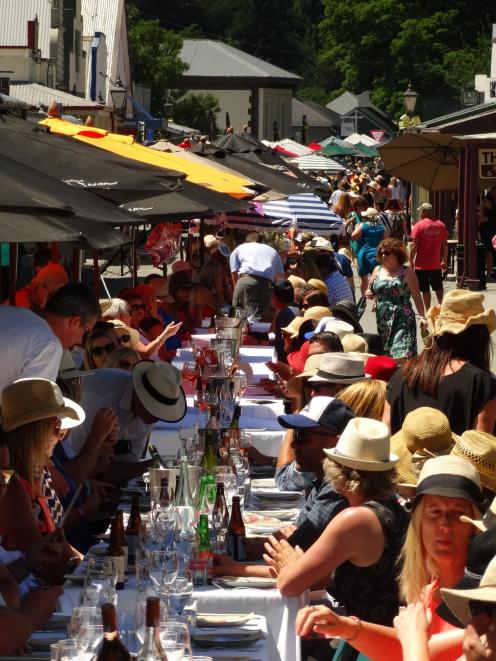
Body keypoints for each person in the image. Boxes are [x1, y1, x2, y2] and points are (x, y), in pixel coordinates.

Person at [295, 454, 482, 661]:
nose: (445, 525)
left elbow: (421, 649)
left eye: (457, 513)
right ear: (418, 523)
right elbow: (406, 647)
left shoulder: (483, 603)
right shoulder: (427, 590)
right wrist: (345, 626)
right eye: (434, 511)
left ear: (474, 525)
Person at [277, 417, 408, 661]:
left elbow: (289, 584)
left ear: (338, 472)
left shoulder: (356, 519)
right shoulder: (395, 508)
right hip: (384, 638)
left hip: (369, 646)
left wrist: (292, 562)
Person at [211, 398, 355, 580]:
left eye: (303, 436)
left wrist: (238, 567)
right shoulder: (322, 478)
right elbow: (294, 537)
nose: (294, 445)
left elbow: (296, 551)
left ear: (334, 441)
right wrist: (263, 544)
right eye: (295, 434)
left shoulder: (338, 489)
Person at [0, 379, 85, 577]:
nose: (61, 435)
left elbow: (53, 554)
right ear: (35, 433)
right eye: (56, 427)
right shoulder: (11, 485)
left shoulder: (35, 476)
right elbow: (43, 565)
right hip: (28, 599)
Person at [385, 289, 496, 435]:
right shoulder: (482, 383)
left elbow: (384, 434)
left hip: (401, 457)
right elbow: (481, 449)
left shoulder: (400, 375)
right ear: (479, 337)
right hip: (455, 458)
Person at [64, 361, 187, 485]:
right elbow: (75, 468)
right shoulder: (97, 399)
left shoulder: (147, 410)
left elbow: (126, 466)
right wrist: (147, 467)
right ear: (140, 398)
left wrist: (149, 467)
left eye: (163, 413)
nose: (157, 419)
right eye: (154, 410)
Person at [0, 283, 100, 394]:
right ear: (75, 322)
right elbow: (30, 407)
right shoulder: (48, 345)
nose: (80, 341)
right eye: (86, 332)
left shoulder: (7, 312)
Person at [366, 238, 426, 361]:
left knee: (402, 353)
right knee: (387, 354)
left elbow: (416, 296)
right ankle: (393, 378)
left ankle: (402, 378)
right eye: (381, 253)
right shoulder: (377, 270)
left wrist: (423, 317)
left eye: (387, 253)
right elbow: (371, 290)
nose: (383, 255)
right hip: (383, 320)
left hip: (403, 318)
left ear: (397, 254)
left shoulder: (407, 272)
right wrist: (369, 293)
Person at [230, 232, 285, 315]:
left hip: (246, 281)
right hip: (266, 285)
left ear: (246, 242)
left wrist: (237, 292)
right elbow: (281, 279)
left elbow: (234, 273)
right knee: (260, 318)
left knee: (239, 318)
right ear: (261, 242)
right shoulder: (273, 251)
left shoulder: (240, 248)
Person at [410, 202, 449, 310]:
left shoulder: (419, 225)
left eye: (420, 211)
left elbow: (414, 246)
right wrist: (444, 261)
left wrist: (411, 260)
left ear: (423, 212)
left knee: (425, 289)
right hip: (436, 264)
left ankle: (428, 311)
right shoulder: (441, 225)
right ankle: (442, 308)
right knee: (438, 287)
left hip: (421, 265)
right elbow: (445, 245)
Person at [351, 207, 386, 296]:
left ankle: (364, 298)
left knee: (363, 278)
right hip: (377, 254)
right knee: (377, 278)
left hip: (364, 254)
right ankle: (376, 301)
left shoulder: (363, 225)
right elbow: (387, 240)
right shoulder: (381, 227)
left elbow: (354, 236)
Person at [271, 280, 296, 362]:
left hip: (284, 360)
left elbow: (274, 340)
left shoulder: (283, 315)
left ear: (277, 299)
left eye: (273, 296)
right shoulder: (294, 309)